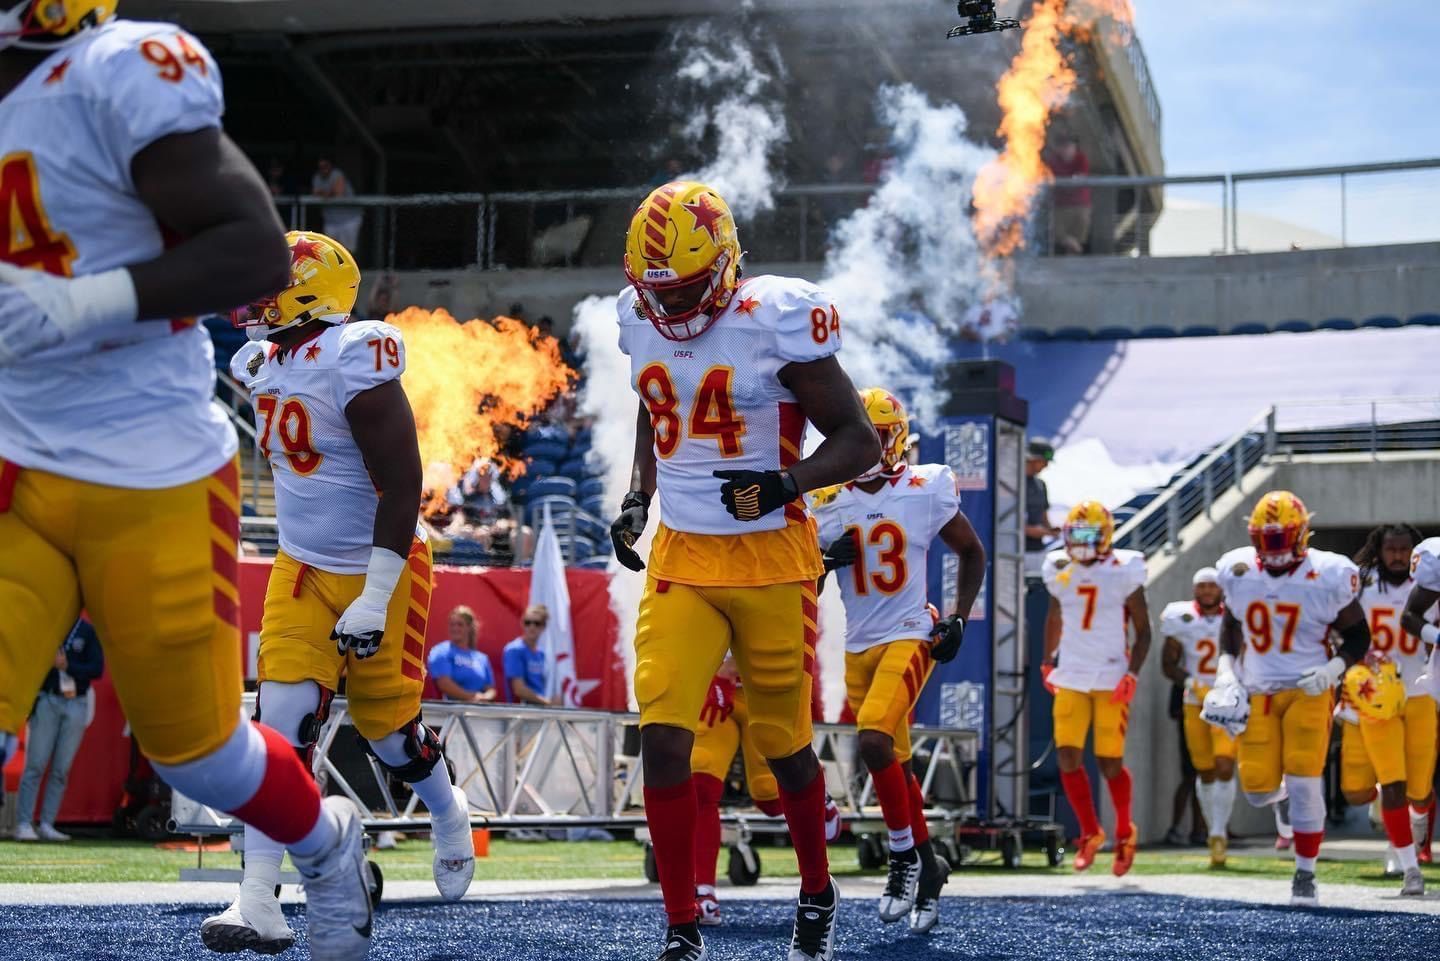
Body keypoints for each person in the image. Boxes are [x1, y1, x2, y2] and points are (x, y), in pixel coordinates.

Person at [0, 9, 369, 960]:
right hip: (13, 455)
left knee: (198, 753)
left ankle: (327, 848)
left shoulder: (116, 69)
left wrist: (88, 300)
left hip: (146, 464)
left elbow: (253, 251)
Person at [608, 180, 879, 961]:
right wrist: (640, 494)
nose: (673, 307)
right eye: (659, 292)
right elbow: (653, 401)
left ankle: (818, 890)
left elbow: (859, 441)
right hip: (683, 556)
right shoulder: (640, 318)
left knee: (782, 744)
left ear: (725, 266)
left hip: (771, 559)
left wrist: (786, 483)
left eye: (689, 288)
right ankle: (682, 921)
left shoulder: (773, 318)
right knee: (664, 736)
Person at [208, 230, 474, 952]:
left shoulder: (355, 355)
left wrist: (373, 591)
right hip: (300, 564)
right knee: (282, 721)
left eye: (272, 284)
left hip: (383, 562)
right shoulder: (264, 360)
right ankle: (257, 898)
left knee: (390, 735)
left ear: (309, 291)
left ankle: (449, 812)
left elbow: (403, 484)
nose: (258, 298)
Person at [811, 387, 985, 932]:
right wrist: (817, 562)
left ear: (897, 440)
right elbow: (803, 586)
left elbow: (971, 551)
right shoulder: (827, 499)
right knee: (898, 766)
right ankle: (930, 867)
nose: (867, 449)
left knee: (872, 742)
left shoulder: (923, 485)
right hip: (858, 646)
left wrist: (958, 614)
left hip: (910, 633)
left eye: (878, 438)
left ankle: (904, 855)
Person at [1204, 490, 1371, 906]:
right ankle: (1283, 805)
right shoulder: (1239, 569)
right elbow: (1231, 625)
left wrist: (1334, 670)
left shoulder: (1329, 573)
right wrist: (1226, 671)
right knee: (1258, 789)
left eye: (1280, 539)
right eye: (1265, 539)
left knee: (1303, 779)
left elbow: (1358, 634)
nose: (1271, 550)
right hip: (1258, 689)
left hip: (1307, 688)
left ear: (1301, 536)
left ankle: (1305, 873)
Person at [1040, 501, 1150, 876]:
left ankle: (1124, 831)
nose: (1081, 544)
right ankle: (1090, 832)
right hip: (1070, 673)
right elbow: (1054, 615)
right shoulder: (1058, 567)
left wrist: (1132, 673)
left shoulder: (1124, 569)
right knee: (1067, 757)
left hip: (1109, 675)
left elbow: (1143, 629)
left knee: (1109, 761)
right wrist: (1046, 661)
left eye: (1089, 535)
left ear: (1106, 536)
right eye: (1076, 535)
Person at [690, 657, 842, 927]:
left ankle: (818, 794)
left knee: (770, 797)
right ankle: (705, 895)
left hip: (760, 687)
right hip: (710, 684)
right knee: (700, 782)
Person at [1336, 523, 1433, 893]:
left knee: (1419, 790)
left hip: (1420, 691)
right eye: (1391, 549)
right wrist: (1360, 651)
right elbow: (1337, 627)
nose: (1397, 556)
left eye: (1404, 549)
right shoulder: (1361, 582)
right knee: (1392, 784)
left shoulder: (1430, 581)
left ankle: (1411, 828)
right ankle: (1410, 867)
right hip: (1375, 695)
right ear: (1379, 550)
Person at [1159, 568, 1235, 867]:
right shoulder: (1181, 617)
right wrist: (1189, 682)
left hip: (1228, 698)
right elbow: (1168, 663)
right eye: (1201, 586)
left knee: (1225, 763)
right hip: (1194, 699)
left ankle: (1218, 832)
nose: (1206, 592)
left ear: (1221, 590)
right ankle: (1211, 829)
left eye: (1211, 587)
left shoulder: (1235, 615)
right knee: (1204, 770)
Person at [15, 616, 104, 842]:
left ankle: (47, 823)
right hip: (48, 699)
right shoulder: (46, 627)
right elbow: (28, 662)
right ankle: (24, 823)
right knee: (35, 764)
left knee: (61, 769)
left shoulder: (86, 631)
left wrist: (68, 666)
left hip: (76, 702)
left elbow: (96, 668)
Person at [428, 606, 497, 702]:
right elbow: (444, 684)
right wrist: (472, 697)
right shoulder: (440, 651)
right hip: (449, 712)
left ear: (469, 627)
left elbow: (490, 689)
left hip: (477, 711)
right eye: (452, 624)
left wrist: (485, 697)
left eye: (460, 624)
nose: (455, 628)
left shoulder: (482, 658)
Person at [1049, 137, 1091, 255]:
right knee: (1058, 235)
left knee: (1078, 236)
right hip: (1060, 206)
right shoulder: (1054, 160)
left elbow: (1080, 178)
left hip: (1081, 205)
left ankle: (1073, 260)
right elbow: (1051, 179)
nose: (1066, 150)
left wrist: (1066, 184)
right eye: (1063, 147)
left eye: (1069, 147)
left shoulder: (1081, 158)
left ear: (1075, 147)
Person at [311, 158, 362, 255]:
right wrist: (327, 193)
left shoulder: (337, 174)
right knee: (329, 250)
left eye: (325, 166)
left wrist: (325, 193)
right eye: (321, 167)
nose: (323, 169)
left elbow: (338, 192)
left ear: (330, 166)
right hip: (331, 221)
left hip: (348, 220)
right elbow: (315, 193)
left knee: (348, 252)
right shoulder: (317, 177)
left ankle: (351, 270)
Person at [503, 604, 552, 706]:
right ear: (522, 624)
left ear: (544, 627)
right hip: (520, 715)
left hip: (540, 712)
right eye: (527, 622)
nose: (531, 627)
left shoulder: (542, 654)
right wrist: (548, 703)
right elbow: (519, 690)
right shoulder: (514, 649)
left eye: (537, 623)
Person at [1024, 438, 1059, 577]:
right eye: (1045, 461)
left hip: (1038, 550)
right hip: (1014, 552)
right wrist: (1040, 532)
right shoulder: (1011, 483)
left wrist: (1050, 529)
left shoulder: (1041, 484)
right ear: (1033, 459)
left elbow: (1043, 514)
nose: (1046, 465)